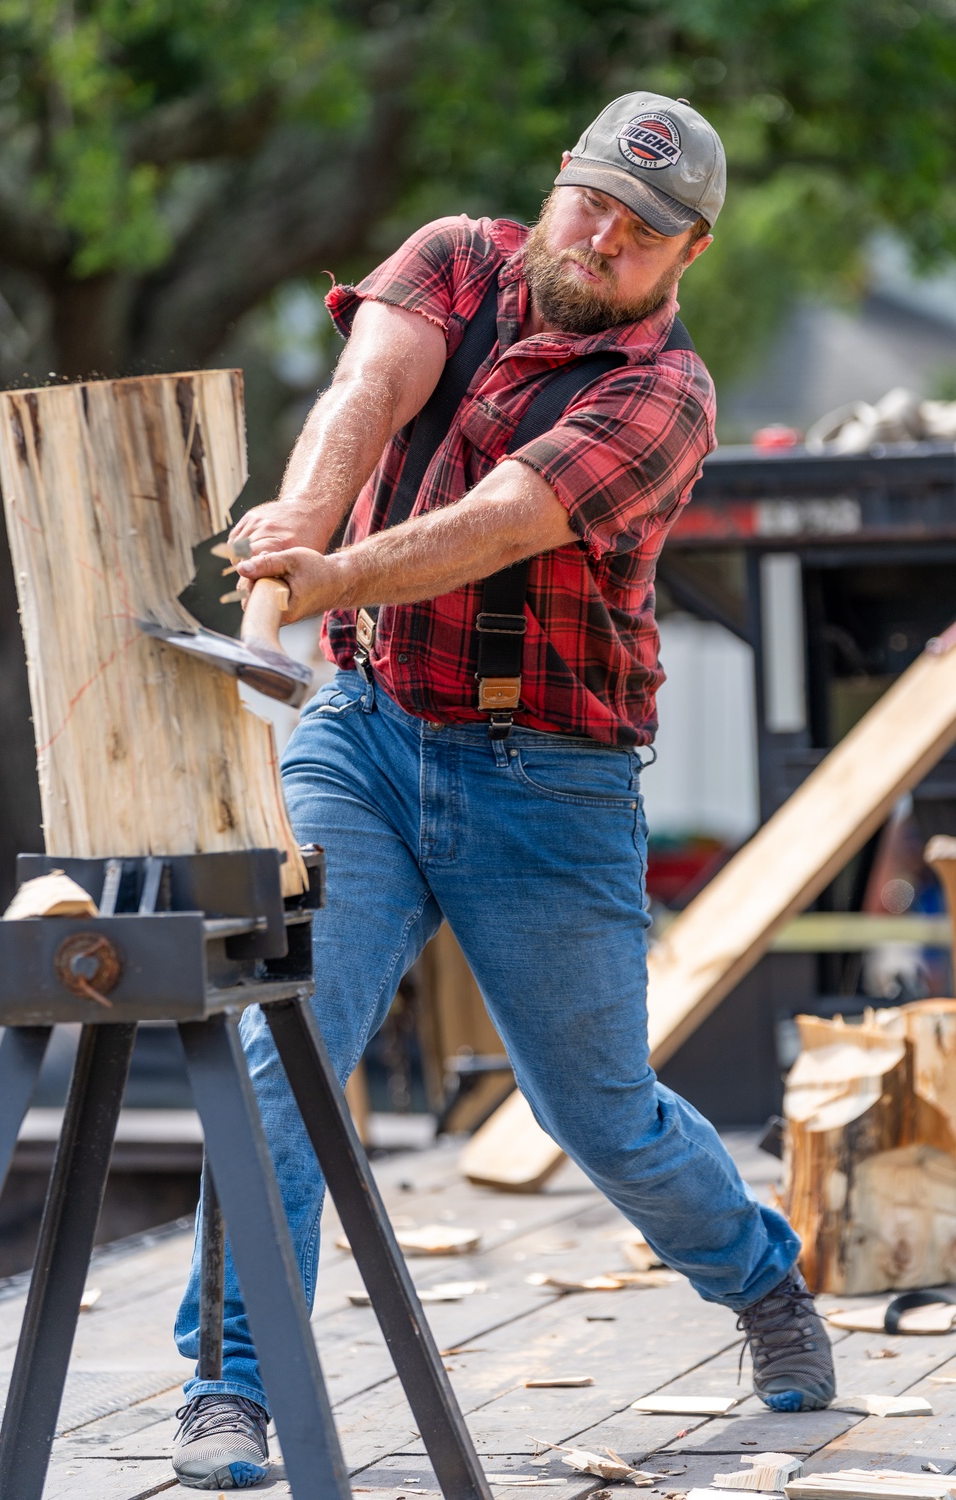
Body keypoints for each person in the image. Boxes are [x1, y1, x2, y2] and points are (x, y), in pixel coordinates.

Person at [171, 91, 835, 1490]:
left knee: (600, 1111)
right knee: (277, 1053)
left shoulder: (665, 394)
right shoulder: (454, 257)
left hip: (551, 781)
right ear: (560, 178)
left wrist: (328, 571)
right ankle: (235, 1382)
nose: (604, 235)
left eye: (644, 230)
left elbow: (493, 529)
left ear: (686, 254)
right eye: (593, 199)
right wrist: (301, 521)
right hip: (362, 728)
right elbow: (368, 391)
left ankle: (763, 1283)